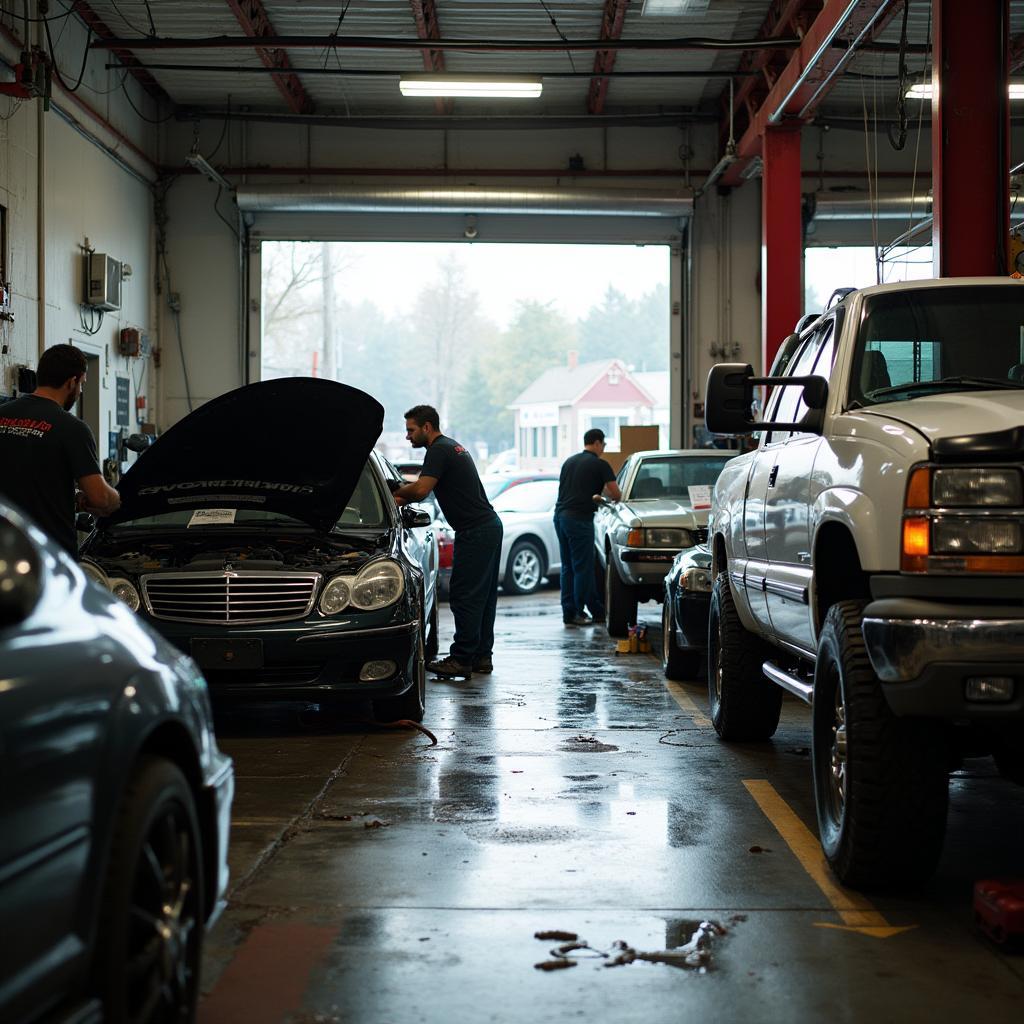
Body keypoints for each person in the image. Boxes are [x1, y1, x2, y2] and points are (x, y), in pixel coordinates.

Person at [393, 405, 502, 679]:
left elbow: (420, 489)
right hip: (487, 526)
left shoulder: (438, 450)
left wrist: (392, 494)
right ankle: (480, 657)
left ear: (427, 427)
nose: (408, 437)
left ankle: (461, 659)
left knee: (465, 596)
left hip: (476, 531)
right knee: (483, 597)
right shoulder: (452, 447)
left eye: (411, 430)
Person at [0, 344, 120, 555]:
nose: (80, 391)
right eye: (81, 384)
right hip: (49, 558)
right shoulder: (72, 428)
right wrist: (117, 498)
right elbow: (100, 498)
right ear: (72, 382)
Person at [553, 428, 621, 626]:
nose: (603, 449)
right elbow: (616, 494)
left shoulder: (569, 462)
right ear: (598, 443)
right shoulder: (600, 465)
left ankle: (573, 612)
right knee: (583, 568)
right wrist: (605, 498)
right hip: (579, 520)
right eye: (604, 445)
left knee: (568, 568)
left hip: (560, 517)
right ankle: (577, 612)